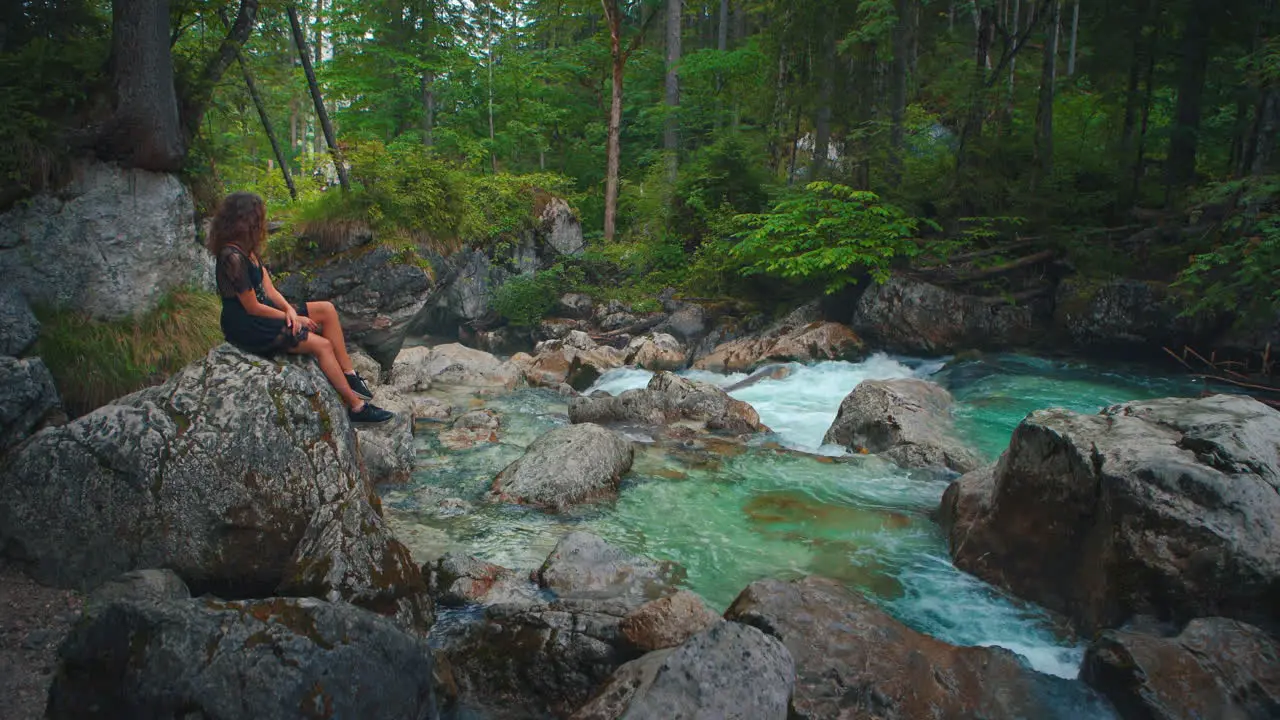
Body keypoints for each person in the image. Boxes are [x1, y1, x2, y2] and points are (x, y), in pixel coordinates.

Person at [207, 192, 393, 424]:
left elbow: (271, 290)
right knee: (323, 346)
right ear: (246, 221)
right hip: (245, 325)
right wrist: (293, 319)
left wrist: (290, 311)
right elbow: (252, 307)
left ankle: (350, 375)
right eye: (259, 218)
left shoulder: (248, 251)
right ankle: (357, 408)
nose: (262, 224)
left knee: (326, 309)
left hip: (261, 312)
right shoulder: (231, 256)